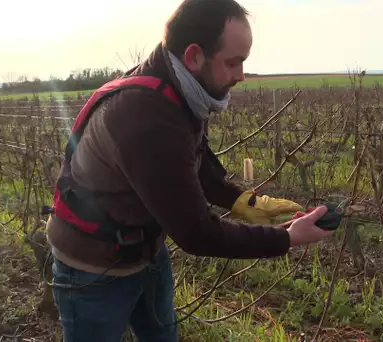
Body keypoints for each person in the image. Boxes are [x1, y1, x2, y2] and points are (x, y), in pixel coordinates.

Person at [44, 0, 332, 341]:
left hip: (145, 250)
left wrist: (244, 201)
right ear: (194, 55)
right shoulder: (146, 116)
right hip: (92, 269)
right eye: (233, 62)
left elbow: (191, 160)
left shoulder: (180, 86)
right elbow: (197, 233)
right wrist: (286, 237)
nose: (241, 75)